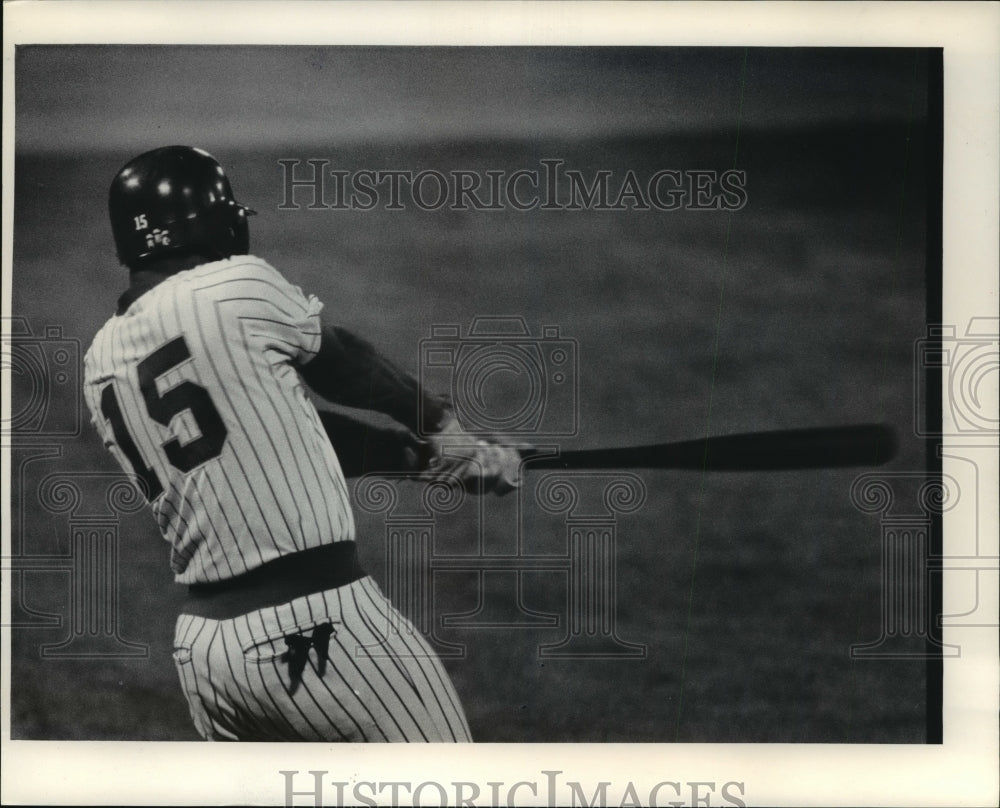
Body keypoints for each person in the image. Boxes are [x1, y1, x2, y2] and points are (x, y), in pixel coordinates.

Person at [83, 145, 520, 741]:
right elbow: (343, 363)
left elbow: (283, 429)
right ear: (213, 221)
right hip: (320, 624)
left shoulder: (101, 361)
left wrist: (422, 461)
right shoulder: (232, 284)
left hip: (209, 655)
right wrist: (444, 428)